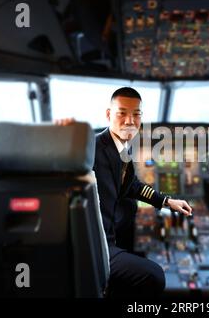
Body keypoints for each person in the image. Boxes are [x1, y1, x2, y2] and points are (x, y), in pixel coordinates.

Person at [55, 87, 192, 298]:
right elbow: (71, 158)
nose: (130, 120)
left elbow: (133, 186)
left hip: (109, 236)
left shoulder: (122, 149)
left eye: (136, 114)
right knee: (154, 276)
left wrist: (166, 201)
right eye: (122, 113)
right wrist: (64, 139)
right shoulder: (92, 146)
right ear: (109, 114)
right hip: (94, 243)